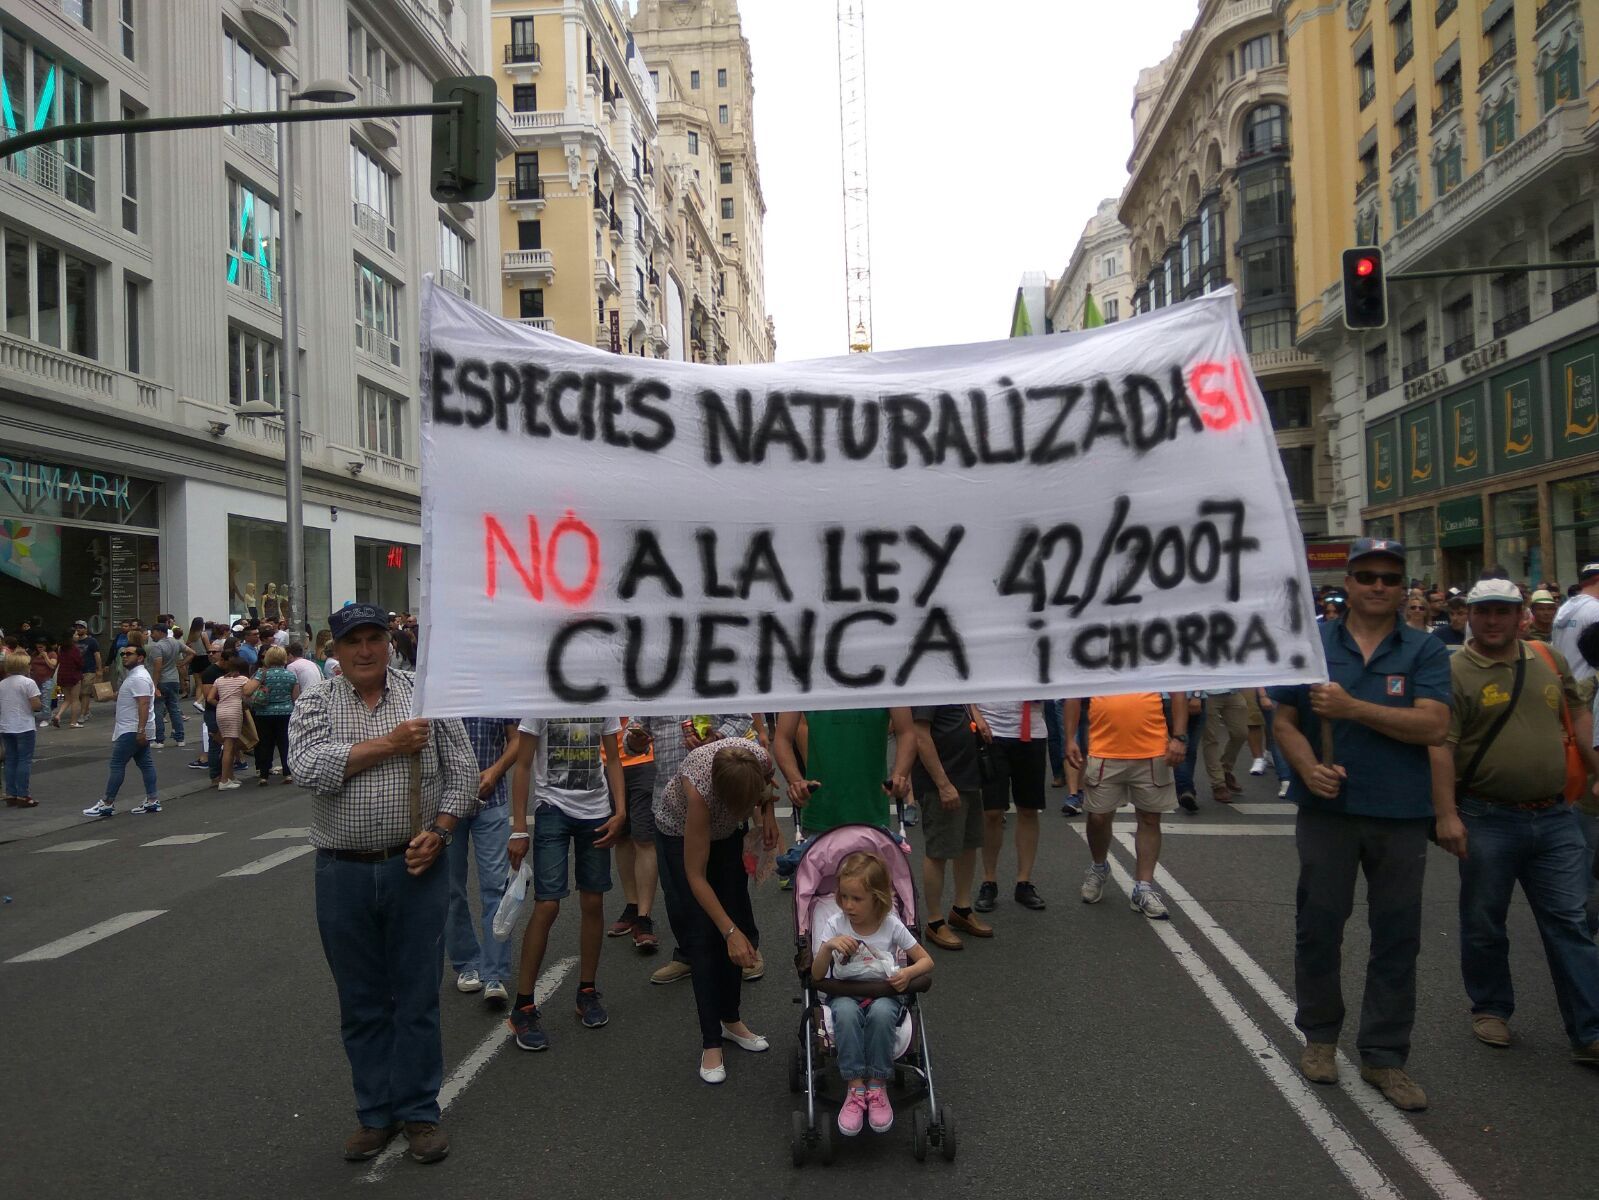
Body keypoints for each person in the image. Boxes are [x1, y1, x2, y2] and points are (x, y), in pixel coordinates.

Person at [288, 602, 477, 1165]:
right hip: (341, 870)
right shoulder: (317, 699)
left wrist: (440, 832)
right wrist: (389, 746)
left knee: (416, 996)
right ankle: (375, 1113)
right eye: (354, 642)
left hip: (414, 865)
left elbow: (464, 776)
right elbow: (307, 768)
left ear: (390, 644)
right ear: (336, 650)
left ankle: (420, 1112)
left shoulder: (424, 695)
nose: (366, 650)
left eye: (375, 639)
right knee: (362, 1000)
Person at [1270, 537, 1451, 1113]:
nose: (1379, 586)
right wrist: (1307, 766)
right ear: (1347, 583)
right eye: (1368, 575)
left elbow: (1432, 728)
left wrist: (1353, 710)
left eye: (1391, 578)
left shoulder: (1425, 649)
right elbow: (1285, 720)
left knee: (1397, 937)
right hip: (1329, 813)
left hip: (1400, 814)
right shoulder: (1311, 645)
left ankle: (1384, 1057)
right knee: (1319, 926)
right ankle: (1320, 1038)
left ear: (1404, 589)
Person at [1428, 578, 1599, 1066]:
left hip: (1555, 815)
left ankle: (1589, 1031)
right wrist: (1445, 815)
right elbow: (1441, 745)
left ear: (1521, 614)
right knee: (1484, 920)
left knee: (1570, 922)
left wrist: (1594, 771)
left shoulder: (1547, 658)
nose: (1494, 620)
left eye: (1504, 611)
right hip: (1486, 817)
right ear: (1469, 616)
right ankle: (1491, 1008)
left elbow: (1578, 707)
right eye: (1484, 612)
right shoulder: (1453, 670)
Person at [652, 737, 777, 1083]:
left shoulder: (758, 758)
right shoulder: (699, 792)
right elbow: (696, 877)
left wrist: (767, 814)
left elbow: (767, 783)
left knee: (737, 917)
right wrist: (730, 932)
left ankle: (731, 1020)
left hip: (727, 835)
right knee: (705, 936)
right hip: (679, 834)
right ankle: (710, 1042)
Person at [505, 715, 629, 1053]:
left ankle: (586, 991)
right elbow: (523, 764)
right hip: (553, 810)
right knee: (547, 904)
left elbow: (614, 758)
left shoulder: (602, 698)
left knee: (593, 902)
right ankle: (524, 1006)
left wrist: (620, 811)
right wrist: (519, 826)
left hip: (597, 812)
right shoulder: (543, 699)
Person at [622, 714, 763, 986]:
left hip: (720, 796)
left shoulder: (715, 675)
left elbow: (743, 717)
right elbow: (632, 741)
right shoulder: (654, 687)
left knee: (730, 885)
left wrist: (718, 738)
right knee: (677, 891)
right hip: (670, 808)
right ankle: (688, 954)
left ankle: (747, 945)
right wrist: (635, 740)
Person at [812, 851, 933, 1136]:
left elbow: (927, 960)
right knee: (845, 1012)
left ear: (877, 898)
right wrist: (828, 947)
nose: (848, 905)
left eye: (856, 899)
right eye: (844, 897)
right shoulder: (836, 925)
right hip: (845, 993)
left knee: (880, 1015)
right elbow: (817, 975)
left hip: (884, 993)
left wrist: (908, 974)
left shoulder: (891, 924)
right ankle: (855, 1086)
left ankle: (877, 1085)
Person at [1068, 689, 1187, 919]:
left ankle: (1143, 887)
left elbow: (1178, 691)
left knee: (1150, 818)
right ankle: (1099, 867)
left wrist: (1180, 736)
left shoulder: (1156, 654)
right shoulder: (1095, 654)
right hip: (1104, 750)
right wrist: (1070, 738)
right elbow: (1073, 693)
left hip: (1152, 750)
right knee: (1098, 816)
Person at [446, 718, 519, 1007]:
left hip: (492, 797)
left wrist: (496, 771)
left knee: (496, 887)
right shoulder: (440, 686)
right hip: (446, 802)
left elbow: (516, 739)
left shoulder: (498, 684)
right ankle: (466, 963)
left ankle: (495, 973)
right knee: (450, 888)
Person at [906, 702, 990, 950]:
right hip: (943, 781)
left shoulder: (956, 683)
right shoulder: (929, 685)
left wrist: (977, 717)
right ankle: (934, 920)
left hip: (968, 776)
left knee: (968, 844)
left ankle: (961, 909)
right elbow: (920, 735)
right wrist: (943, 784)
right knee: (939, 851)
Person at [773, 708, 913, 837]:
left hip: (872, 811)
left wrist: (899, 775)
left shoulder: (887, 681)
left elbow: (907, 732)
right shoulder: (805, 680)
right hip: (820, 811)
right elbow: (783, 738)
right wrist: (796, 781)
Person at [970, 700, 1048, 912]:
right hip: (991, 731)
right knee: (992, 812)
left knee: (1029, 809)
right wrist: (975, 714)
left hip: (1031, 733)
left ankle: (1024, 882)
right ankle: (989, 881)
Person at [82, 641, 162, 817]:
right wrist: (109, 696)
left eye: (129, 654)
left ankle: (107, 803)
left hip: (131, 729)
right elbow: (134, 697)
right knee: (145, 763)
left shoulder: (139, 677)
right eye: (123, 654)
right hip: (135, 728)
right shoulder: (136, 676)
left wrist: (141, 730)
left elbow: (143, 703)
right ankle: (152, 800)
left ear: (140, 658)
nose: (124, 656)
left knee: (117, 764)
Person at [608, 717, 662, 954]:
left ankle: (644, 916)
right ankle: (632, 904)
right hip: (607, 759)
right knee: (621, 835)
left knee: (644, 838)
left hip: (644, 758)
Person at [207, 653, 260, 790]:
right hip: (234, 711)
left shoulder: (219, 680)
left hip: (221, 711)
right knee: (229, 746)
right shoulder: (243, 679)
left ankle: (230, 777)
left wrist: (221, 703)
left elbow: (210, 698)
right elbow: (250, 694)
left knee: (230, 743)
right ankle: (224, 780)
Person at [250, 646, 298, 786]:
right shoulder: (290, 675)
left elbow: (248, 690)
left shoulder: (262, 674)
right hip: (286, 713)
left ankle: (264, 775)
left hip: (264, 713)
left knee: (265, 743)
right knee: (285, 743)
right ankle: (288, 773)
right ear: (283, 658)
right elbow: (295, 697)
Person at [1, 649, 43, 806]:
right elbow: (36, 705)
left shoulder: (2, 684)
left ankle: (10, 792)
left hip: (6, 725)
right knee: (24, 760)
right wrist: (40, 704)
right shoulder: (28, 683)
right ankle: (23, 795)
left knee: (10, 759)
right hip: (24, 725)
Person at [144, 624, 190, 750]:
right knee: (174, 709)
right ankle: (180, 738)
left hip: (162, 681)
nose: (151, 635)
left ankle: (159, 740)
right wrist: (181, 664)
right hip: (174, 679)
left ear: (159, 632)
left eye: (153, 632)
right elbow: (192, 652)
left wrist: (154, 684)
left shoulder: (157, 647)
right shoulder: (176, 642)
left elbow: (157, 667)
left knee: (158, 710)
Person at [1202, 689, 1249, 804]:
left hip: (1232, 691)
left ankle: (1225, 769)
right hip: (1208, 693)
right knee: (1210, 739)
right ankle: (1218, 784)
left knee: (1241, 733)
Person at [71, 621, 103, 726]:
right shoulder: (72, 641)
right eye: (77, 628)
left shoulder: (91, 641)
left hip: (89, 669)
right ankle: (86, 710)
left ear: (86, 629)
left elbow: (97, 655)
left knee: (85, 693)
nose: (78, 629)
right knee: (78, 693)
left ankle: (83, 714)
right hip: (76, 670)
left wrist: (99, 669)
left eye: (81, 627)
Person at [52, 631, 83, 728]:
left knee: (67, 699)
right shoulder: (75, 649)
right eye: (75, 634)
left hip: (62, 675)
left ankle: (58, 715)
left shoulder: (60, 648)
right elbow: (79, 663)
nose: (77, 636)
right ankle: (73, 722)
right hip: (73, 675)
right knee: (75, 700)